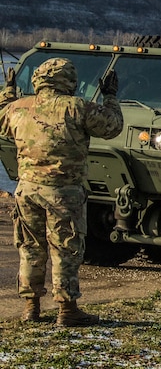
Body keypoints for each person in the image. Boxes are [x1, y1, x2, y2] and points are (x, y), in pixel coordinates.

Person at [0, 58, 123, 326]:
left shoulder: (18, 108)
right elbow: (113, 126)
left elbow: (1, 118)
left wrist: (8, 90)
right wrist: (111, 96)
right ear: (68, 81)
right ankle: (67, 310)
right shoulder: (77, 108)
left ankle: (30, 308)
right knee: (65, 250)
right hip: (63, 194)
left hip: (26, 191)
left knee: (30, 248)